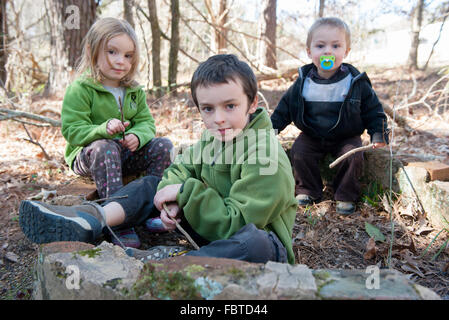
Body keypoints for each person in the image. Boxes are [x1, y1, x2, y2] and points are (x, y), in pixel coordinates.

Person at [19, 54, 298, 264]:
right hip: (209, 226)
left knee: (256, 242)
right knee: (153, 183)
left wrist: (186, 193)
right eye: (208, 109)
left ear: (253, 104)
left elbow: (237, 222)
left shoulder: (265, 156)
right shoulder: (214, 137)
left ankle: (172, 263)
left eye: (230, 106)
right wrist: (173, 198)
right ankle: (92, 218)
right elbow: (180, 168)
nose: (219, 118)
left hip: (247, 243)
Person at [60, 18, 172, 248]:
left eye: (128, 55)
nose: (121, 61)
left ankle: (154, 209)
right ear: (93, 50)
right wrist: (102, 129)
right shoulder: (81, 89)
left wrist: (139, 136)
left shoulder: (133, 90)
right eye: (112, 52)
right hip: (89, 156)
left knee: (164, 145)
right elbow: (72, 130)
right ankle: (119, 222)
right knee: (105, 146)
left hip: (125, 154)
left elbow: (146, 123)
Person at [271, 17, 389, 215]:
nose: (328, 51)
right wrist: (272, 128)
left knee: (353, 155)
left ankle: (345, 193)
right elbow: (285, 108)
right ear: (309, 52)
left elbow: (373, 110)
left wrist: (378, 134)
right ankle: (308, 190)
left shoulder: (355, 82)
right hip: (312, 134)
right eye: (320, 46)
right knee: (299, 151)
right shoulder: (304, 82)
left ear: (346, 51)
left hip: (345, 135)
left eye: (336, 46)